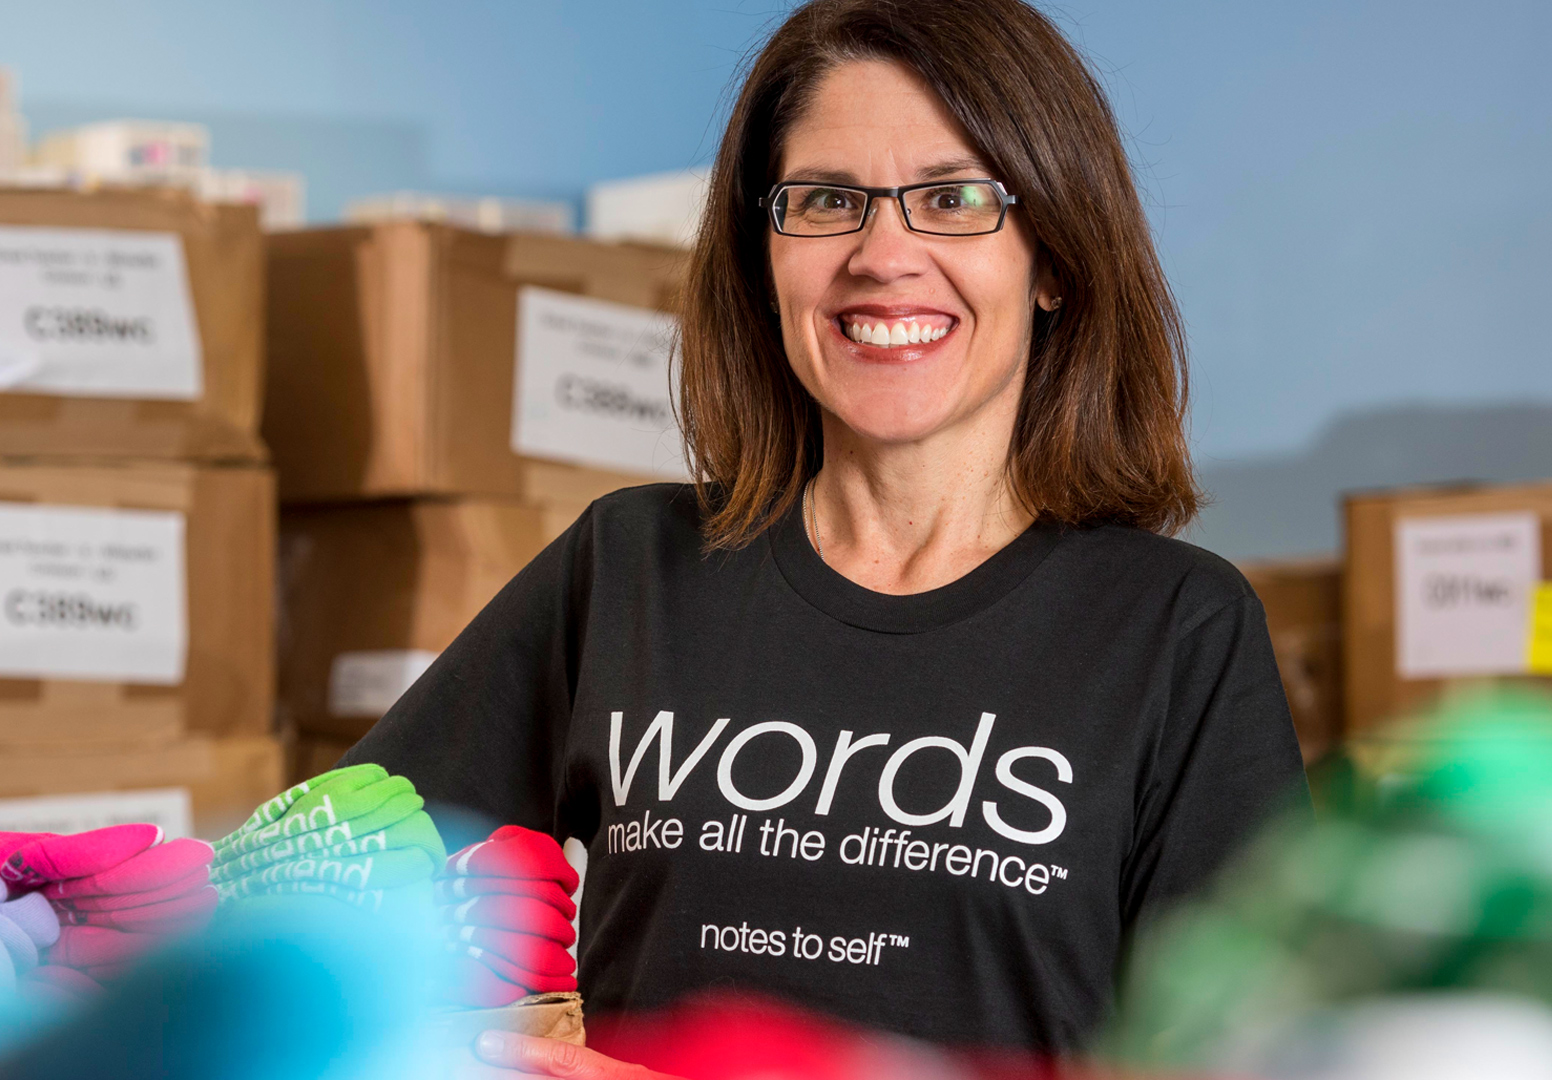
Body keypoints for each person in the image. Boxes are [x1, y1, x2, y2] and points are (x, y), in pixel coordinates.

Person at [349, 0, 1308, 1070]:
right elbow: (326, 907)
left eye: (954, 198)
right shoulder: (632, 566)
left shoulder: (1174, 627)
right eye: (827, 201)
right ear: (765, 254)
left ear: (1055, 260)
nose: (882, 253)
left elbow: (1254, 1059)